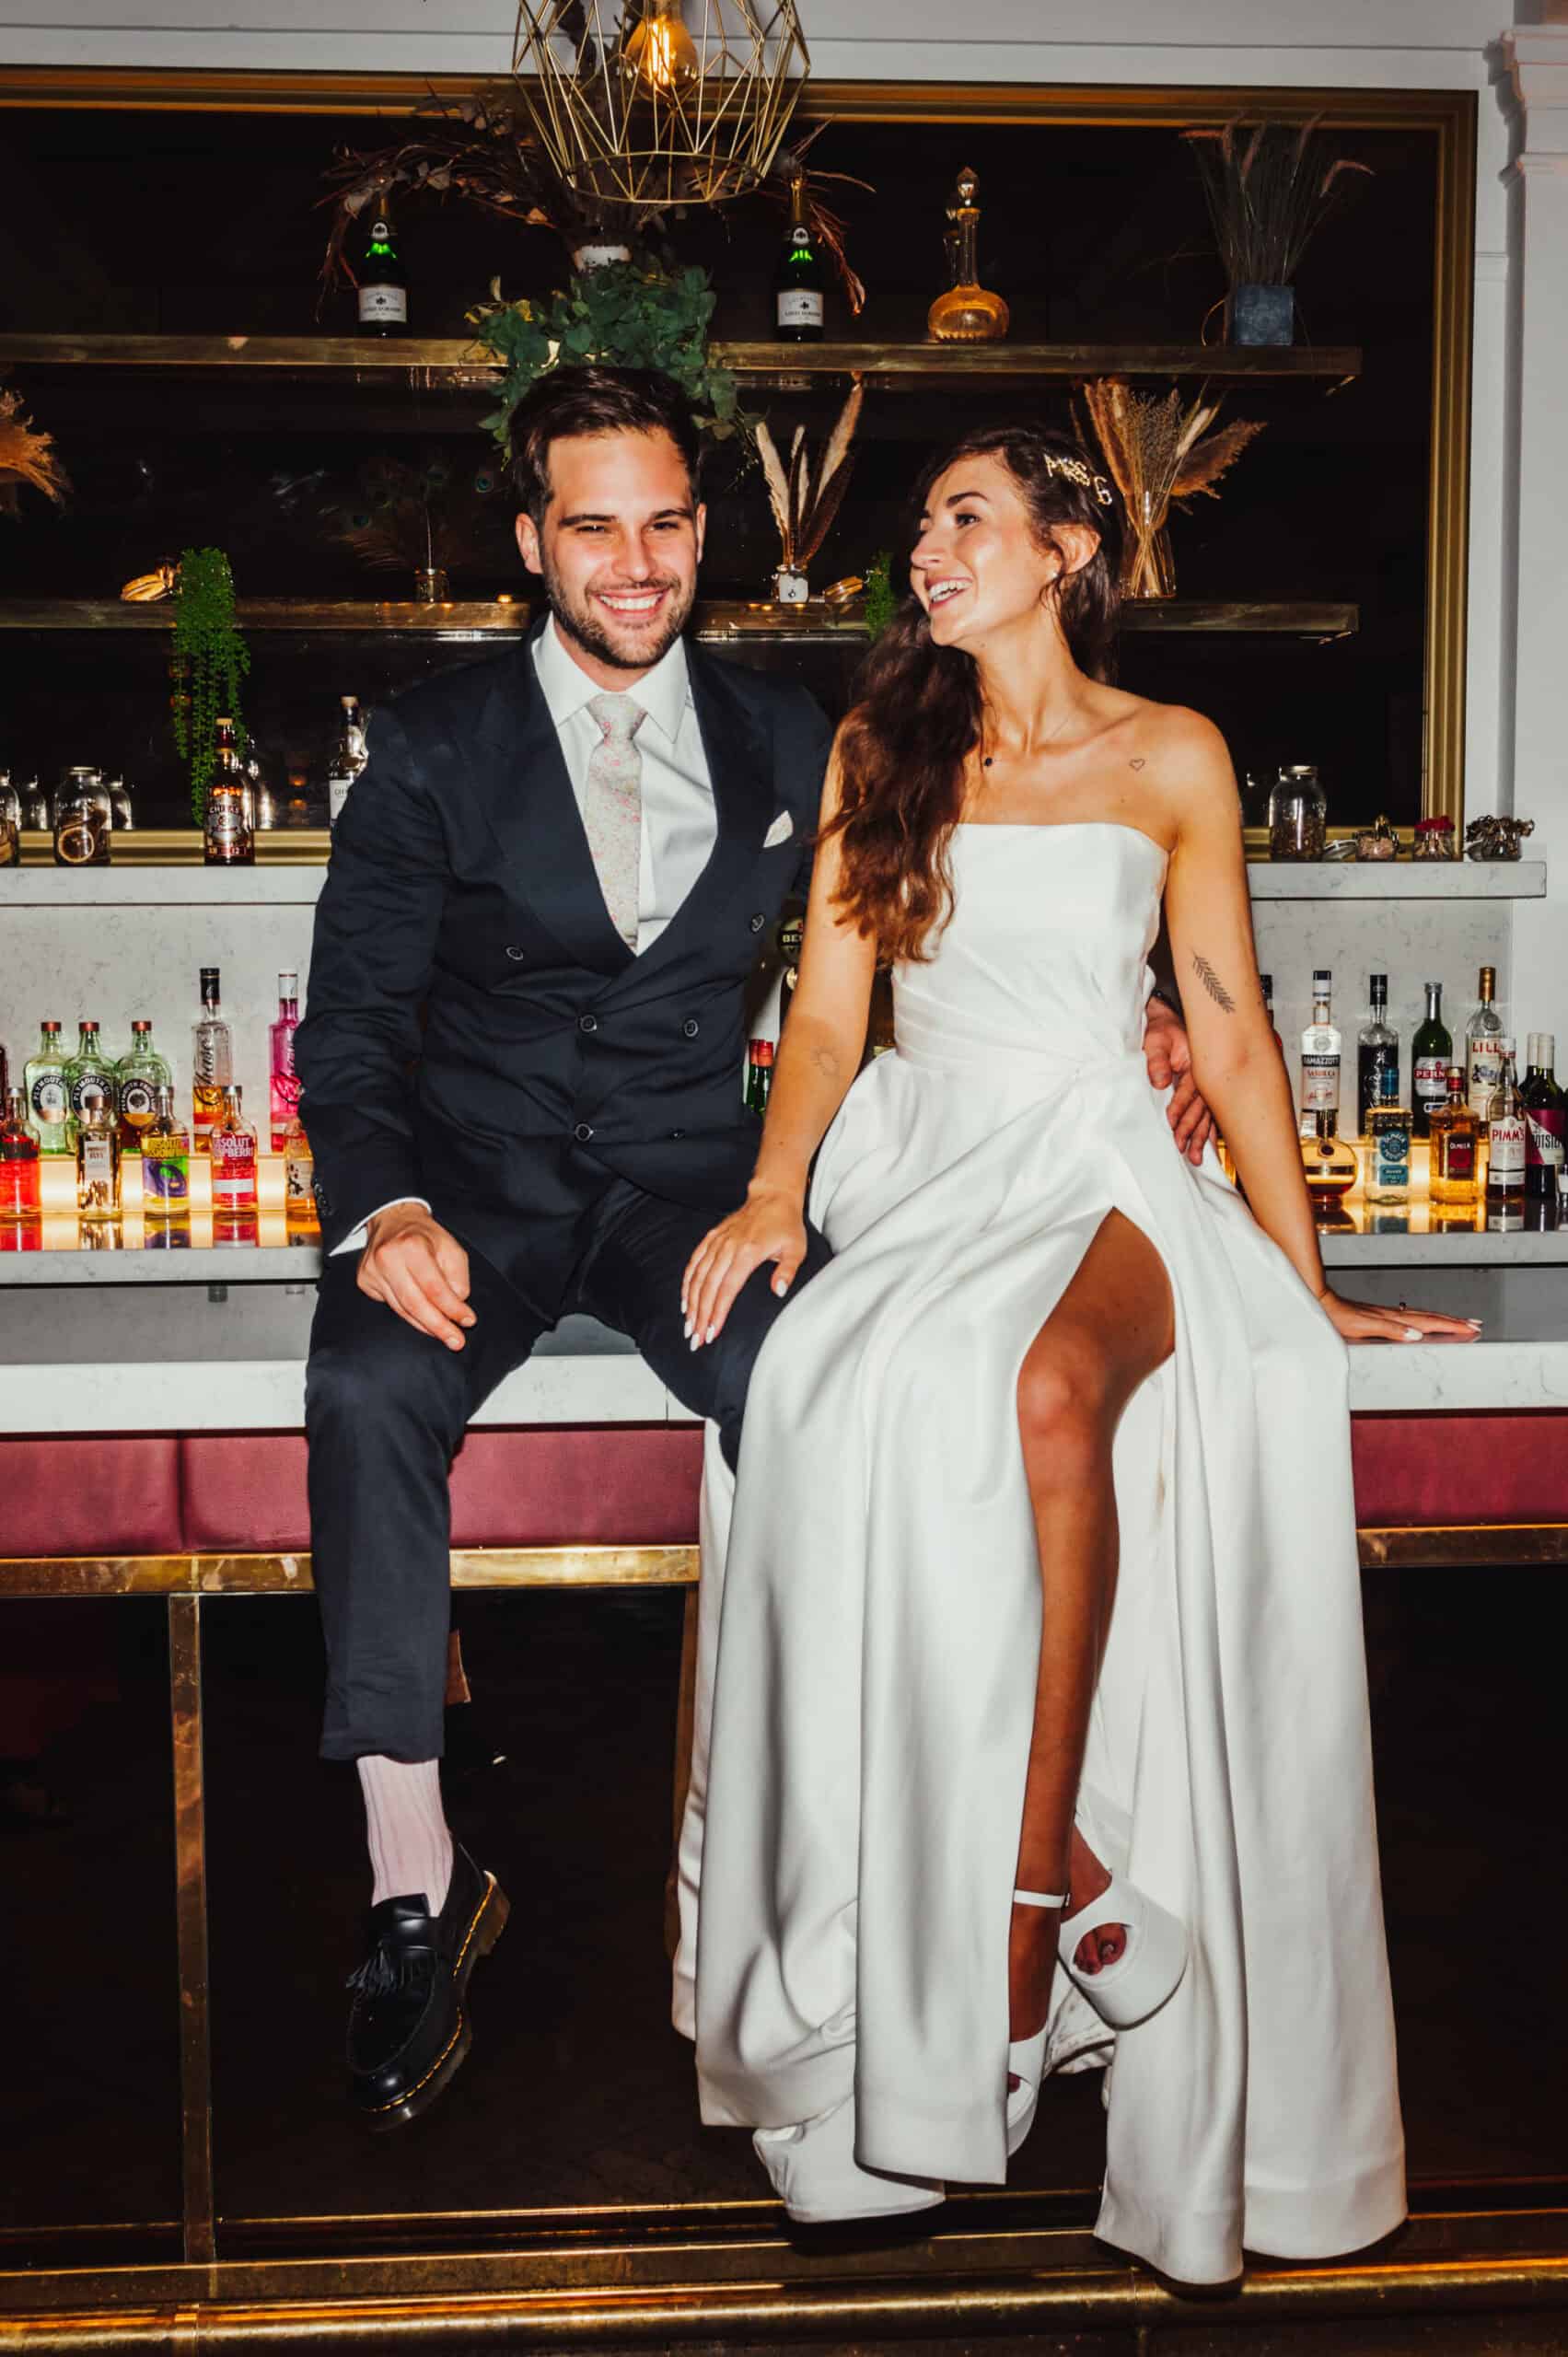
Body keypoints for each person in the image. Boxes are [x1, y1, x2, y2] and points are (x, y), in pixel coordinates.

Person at [297, 368, 1210, 2132]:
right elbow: (351, 1025)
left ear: (703, 533)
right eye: (593, 527)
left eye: (664, 523)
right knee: (361, 1391)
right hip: (470, 1198)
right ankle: (416, 1884)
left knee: (853, 1393)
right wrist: (386, 1207)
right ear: (530, 543)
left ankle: (992, 1832)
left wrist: (1143, 1005)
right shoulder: (429, 746)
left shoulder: (800, 737)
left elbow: (956, 888)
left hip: (693, 1199)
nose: (634, 562)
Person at [680, 424, 1479, 2280]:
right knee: (828, 1396)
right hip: (931, 1162)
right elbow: (828, 1015)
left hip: (1107, 1161)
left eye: (965, 517)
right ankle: (1046, 1904)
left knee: (1048, 1390)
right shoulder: (883, 750)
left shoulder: (1174, 751)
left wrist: (1310, 1278)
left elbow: (1229, 1023)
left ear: (1064, 547)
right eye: (922, 527)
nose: (928, 549)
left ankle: (1034, 1900)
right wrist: (780, 1190)